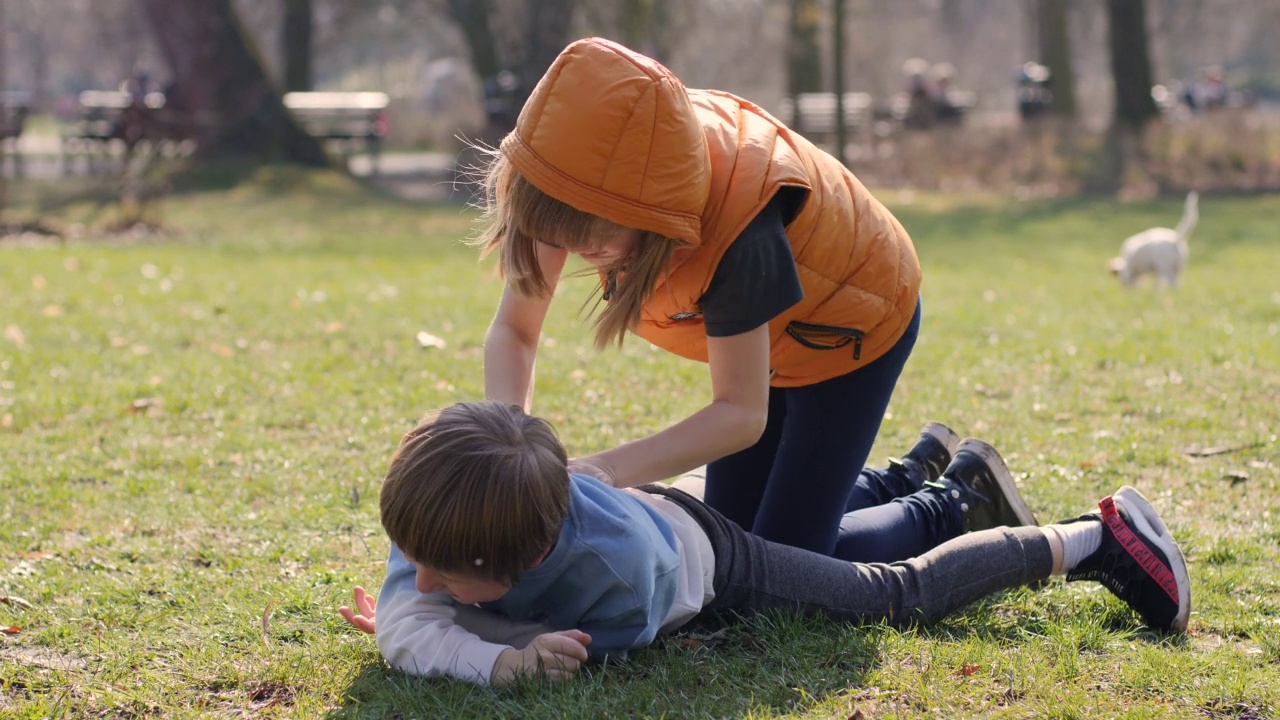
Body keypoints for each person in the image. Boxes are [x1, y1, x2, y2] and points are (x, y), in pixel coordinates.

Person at [339, 402, 1191, 686]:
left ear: (525, 563)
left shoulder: (619, 578)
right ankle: (923, 474)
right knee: (818, 529)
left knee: (888, 593)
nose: (415, 576)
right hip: (649, 505)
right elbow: (416, 619)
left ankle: (1091, 540)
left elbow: (577, 649)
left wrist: (486, 648)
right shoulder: (452, 515)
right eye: (411, 555)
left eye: (442, 573)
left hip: (702, 559)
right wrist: (438, 619)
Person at [471, 36, 927, 556]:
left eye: (594, 236)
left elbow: (740, 412)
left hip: (853, 323)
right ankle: (905, 475)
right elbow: (516, 330)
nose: (576, 250)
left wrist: (604, 469)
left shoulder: (741, 232)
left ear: (651, 208)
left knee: (781, 568)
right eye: (561, 234)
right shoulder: (568, 183)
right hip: (772, 331)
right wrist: (509, 445)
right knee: (729, 540)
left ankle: (958, 499)